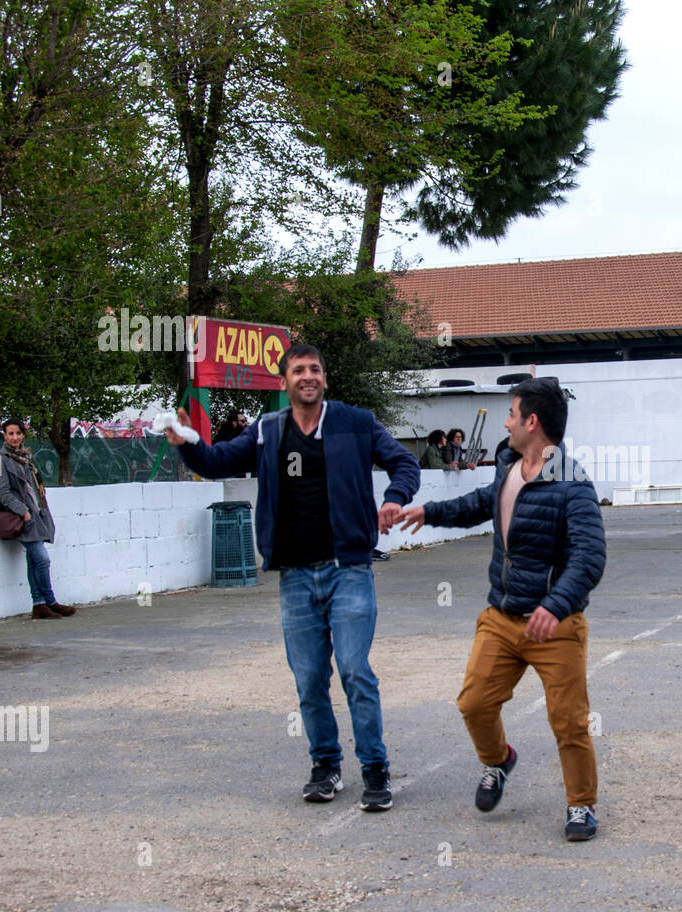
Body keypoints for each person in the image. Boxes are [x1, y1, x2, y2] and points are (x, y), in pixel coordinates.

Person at [164, 344, 420, 812]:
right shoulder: (267, 431)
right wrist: (188, 445)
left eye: (315, 369)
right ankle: (325, 766)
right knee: (307, 680)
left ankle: (375, 769)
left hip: (349, 570)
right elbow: (218, 462)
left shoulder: (355, 422)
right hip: (296, 577)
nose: (307, 376)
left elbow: (405, 462)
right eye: (298, 370)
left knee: (355, 671)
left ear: (325, 378)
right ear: (284, 382)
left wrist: (394, 497)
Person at [396, 378, 607, 841]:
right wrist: (428, 512)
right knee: (474, 703)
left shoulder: (573, 484)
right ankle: (498, 762)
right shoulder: (508, 462)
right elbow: (480, 505)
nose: (507, 421)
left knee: (569, 721)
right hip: (502, 615)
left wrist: (555, 605)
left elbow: (590, 558)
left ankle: (581, 806)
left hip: (555, 625)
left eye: (512, 413)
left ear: (532, 422)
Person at [0, 419, 76, 620]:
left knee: (33, 560)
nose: (14, 438)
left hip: (36, 515)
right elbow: (1, 492)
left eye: (18, 433)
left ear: (23, 434)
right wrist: (23, 511)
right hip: (19, 517)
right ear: (4, 435)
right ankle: (50, 601)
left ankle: (39, 605)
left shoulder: (26, 456)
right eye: (10, 434)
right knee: (42, 559)